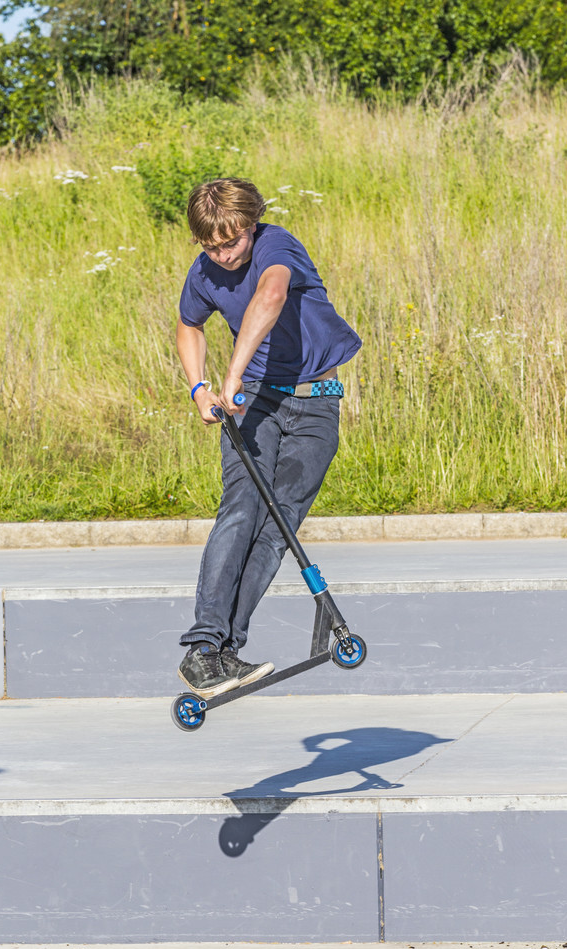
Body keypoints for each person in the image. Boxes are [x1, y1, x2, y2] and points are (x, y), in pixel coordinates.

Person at [175, 177, 362, 698]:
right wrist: (199, 387)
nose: (223, 256)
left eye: (231, 243)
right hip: (256, 399)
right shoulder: (205, 268)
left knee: (277, 528)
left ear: (251, 226)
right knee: (240, 510)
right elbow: (189, 324)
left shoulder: (277, 244)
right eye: (210, 246)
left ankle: (226, 651)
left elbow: (271, 294)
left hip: (314, 403)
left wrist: (230, 372)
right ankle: (203, 648)